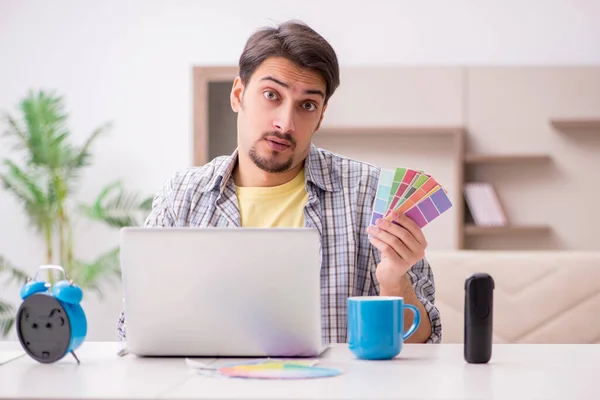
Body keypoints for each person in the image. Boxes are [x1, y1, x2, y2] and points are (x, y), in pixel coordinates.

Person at [117, 20, 441, 344]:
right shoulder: (183, 197)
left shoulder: (370, 195)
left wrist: (394, 280)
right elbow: (132, 328)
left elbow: (426, 345)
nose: (285, 123)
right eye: (272, 95)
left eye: (307, 105)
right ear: (238, 94)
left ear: (321, 116)